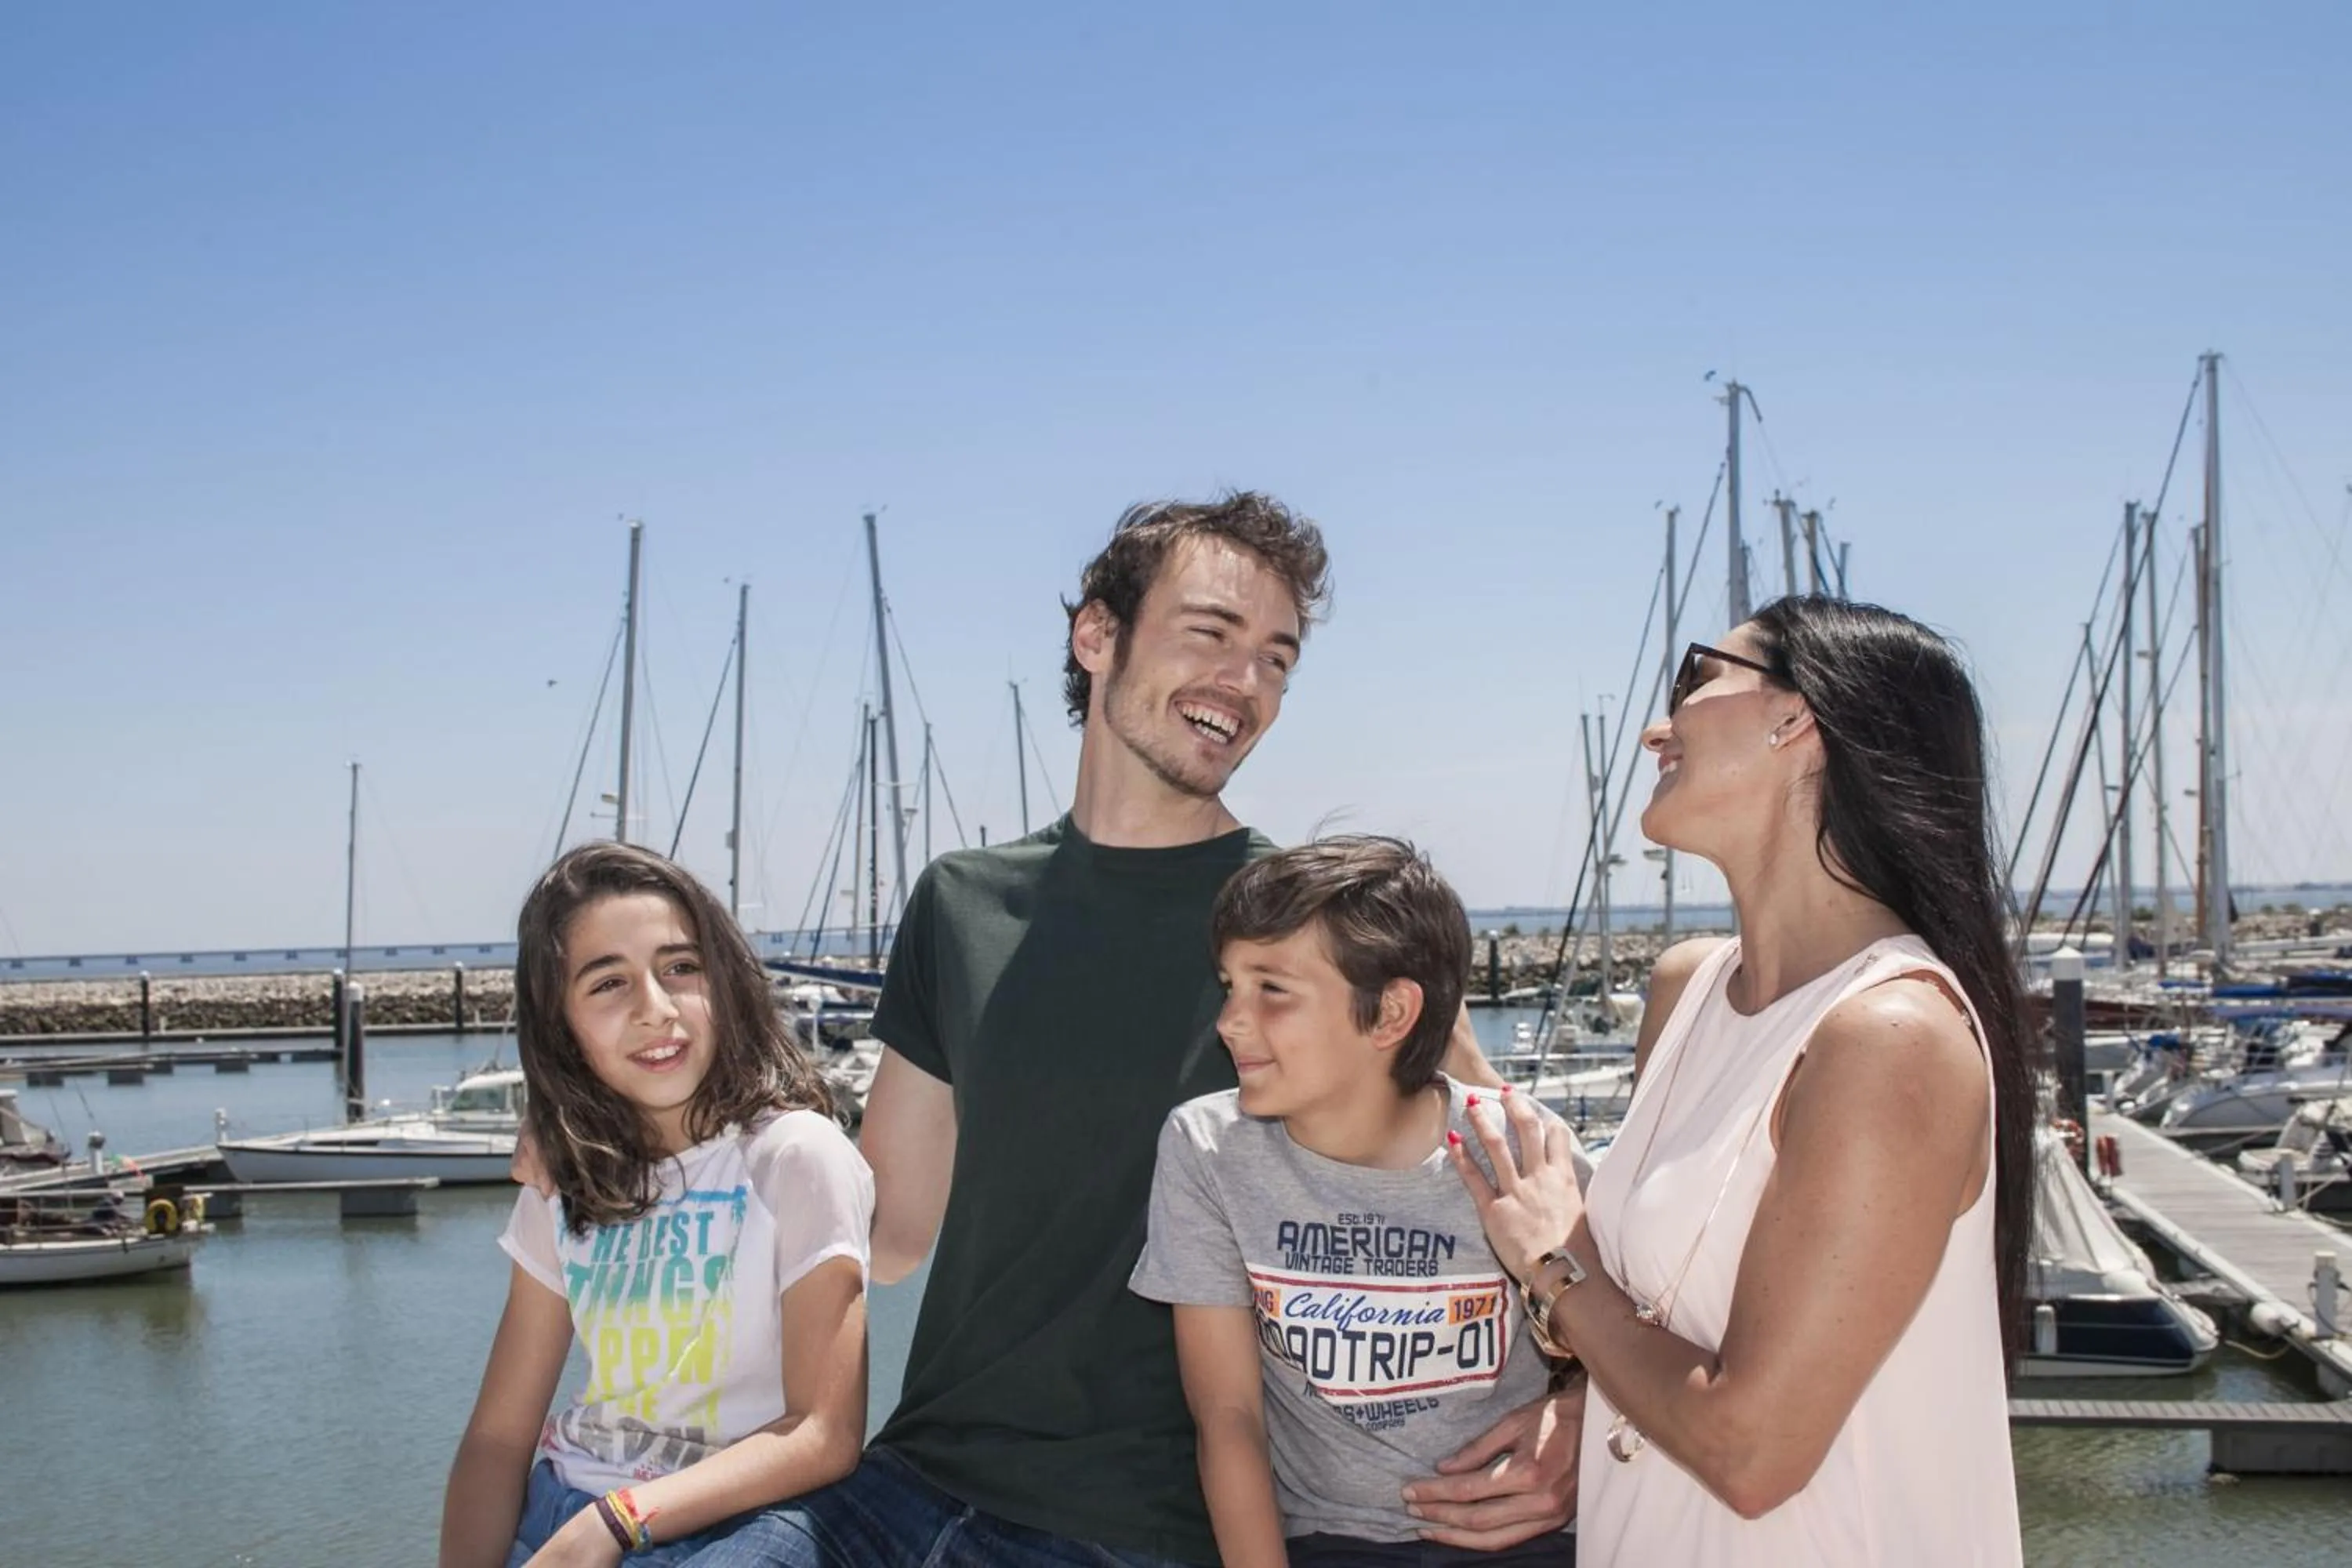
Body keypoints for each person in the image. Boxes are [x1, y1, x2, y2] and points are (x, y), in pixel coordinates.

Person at [735, 493, 1579, 1565]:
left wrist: (1586, 1402)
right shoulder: (960, 902)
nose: (1248, 684)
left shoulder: (1310, 929)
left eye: (1277, 660)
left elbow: (1514, 1167)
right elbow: (886, 1230)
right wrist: (636, 1144)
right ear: (1098, 637)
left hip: (1149, 1521)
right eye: (1213, 635)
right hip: (916, 1477)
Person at [1450, 597, 2035, 1566]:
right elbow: (1668, 1303)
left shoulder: (1890, 1035)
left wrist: (1554, 1267)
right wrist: (1583, 1397)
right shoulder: (1687, 988)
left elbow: (1753, 1448)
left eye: (1695, 681)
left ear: (1797, 720)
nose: (1655, 726)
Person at [1131, 837, 1581, 1567]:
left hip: (1528, 1538)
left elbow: (1634, 1335)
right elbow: (1230, 1417)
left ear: (1390, 1014)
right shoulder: (1208, 1149)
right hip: (1331, 1542)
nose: (1230, 1022)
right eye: (1229, 986)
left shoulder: (1522, 1147)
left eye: (1272, 990)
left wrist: (1583, 1412)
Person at [440, 842, 875, 1568]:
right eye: (607, 983)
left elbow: (824, 1434)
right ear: (562, 1027)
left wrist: (616, 1521)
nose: (656, 1008)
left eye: (681, 967)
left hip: (725, 1528)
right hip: (558, 1507)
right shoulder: (568, 1181)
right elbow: (498, 1439)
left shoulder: (795, 1157)